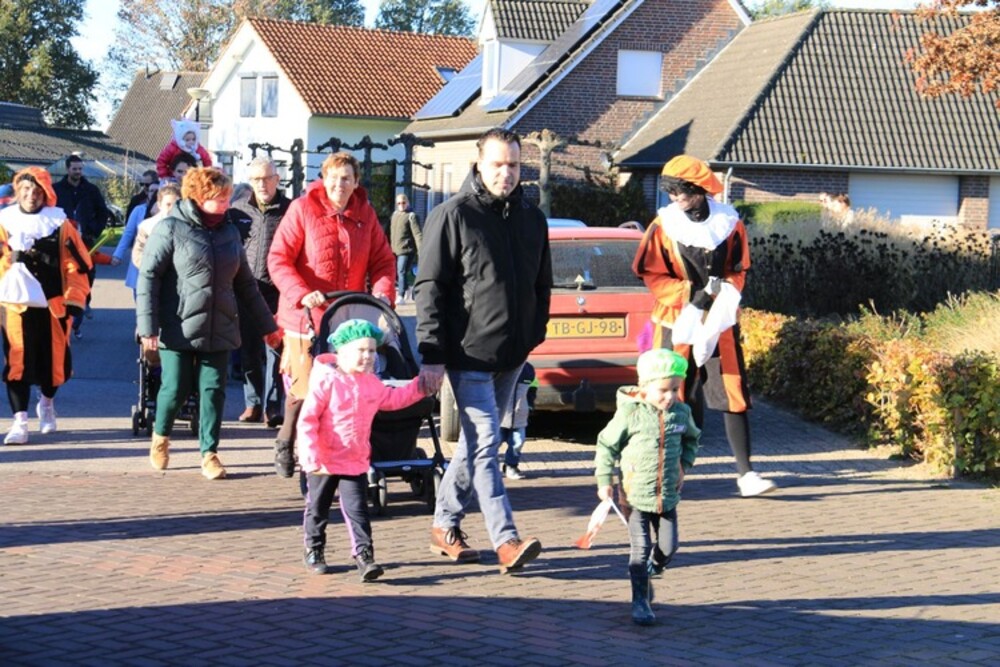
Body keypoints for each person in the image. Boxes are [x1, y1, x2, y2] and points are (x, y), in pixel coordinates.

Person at [415, 127, 552, 573]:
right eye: (497, 164)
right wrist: (432, 353)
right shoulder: (452, 215)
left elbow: (542, 283)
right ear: (479, 164)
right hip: (467, 353)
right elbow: (429, 287)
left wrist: (533, 332)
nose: (505, 173)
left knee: (474, 445)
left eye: (513, 165)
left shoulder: (532, 219)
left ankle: (444, 526)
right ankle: (506, 540)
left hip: (512, 354)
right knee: (488, 442)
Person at [632, 155, 776, 498]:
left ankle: (746, 474)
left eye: (681, 191)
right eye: (670, 192)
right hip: (675, 320)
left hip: (719, 321)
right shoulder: (663, 226)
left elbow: (738, 268)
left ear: (699, 189)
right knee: (671, 392)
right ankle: (667, 472)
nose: (675, 198)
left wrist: (725, 295)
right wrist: (690, 295)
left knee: (731, 389)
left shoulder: (730, 223)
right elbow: (651, 273)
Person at [137, 167, 280, 480]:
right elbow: (149, 278)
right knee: (175, 388)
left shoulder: (230, 232)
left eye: (228, 196)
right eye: (220, 197)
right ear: (199, 197)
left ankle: (210, 453)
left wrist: (268, 327)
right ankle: (161, 437)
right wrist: (147, 327)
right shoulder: (170, 228)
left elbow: (246, 285)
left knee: (213, 391)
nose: (227, 203)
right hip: (179, 325)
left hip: (221, 325)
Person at [267, 151, 395, 478]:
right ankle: (286, 439)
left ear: (356, 182)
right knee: (306, 387)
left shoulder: (365, 214)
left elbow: (383, 261)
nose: (340, 184)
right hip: (304, 315)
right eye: (334, 177)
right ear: (323, 179)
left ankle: (336, 455)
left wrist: (382, 292)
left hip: (346, 317)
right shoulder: (302, 209)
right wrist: (301, 293)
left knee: (343, 389)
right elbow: (279, 259)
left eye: (347, 178)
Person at [297, 319, 427, 579]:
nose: (368, 356)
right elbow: (308, 420)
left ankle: (364, 555)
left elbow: (392, 399)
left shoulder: (371, 383)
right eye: (361, 350)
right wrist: (309, 455)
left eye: (372, 351)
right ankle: (314, 548)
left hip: (354, 460)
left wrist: (419, 387)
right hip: (323, 460)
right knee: (318, 507)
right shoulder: (326, 381)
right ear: (342, 351)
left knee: (358, 510)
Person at [594, 348, 700, 626]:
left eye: (675, 389)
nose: (670, 396)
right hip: (635, 496)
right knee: (640, 550)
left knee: (669, 546)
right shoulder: (630, 414)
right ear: (644, 386)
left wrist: (684, 465)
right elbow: (606, 445)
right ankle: (640, 601)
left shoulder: (681, 413)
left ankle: (655, 566)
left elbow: (692, 440)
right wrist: (604, 481)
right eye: (663, 390)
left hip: (668, 496)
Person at [0, 167, 92, 444]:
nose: (31, 195)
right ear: (18, 192)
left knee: (54, 365)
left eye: (36, 191)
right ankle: (20, 422)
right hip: (14, 306)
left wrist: (75, 300)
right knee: (17, 363)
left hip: (53, 306)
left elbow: (77, 265)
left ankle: (47, 404)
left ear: (46, 193)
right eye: (26, 190)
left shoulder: (60, 225)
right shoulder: (4, 222)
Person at [225, 158, 289, 436]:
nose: (262, 184)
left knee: (275, 351)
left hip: (278, 292)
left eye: (267, 178)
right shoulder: (237, 211)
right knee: (249, 351)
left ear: (277, 179)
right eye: (256, 179)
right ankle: (252, 402)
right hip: (247, 290)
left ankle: (272, 406)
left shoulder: (290, 210)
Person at [53, 155, 112, 332]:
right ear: (67, 169)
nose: (78, 172)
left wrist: (94, 230)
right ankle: (68, 304)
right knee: (66, 272)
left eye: (80, 169)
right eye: (75, 169)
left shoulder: (91, 190)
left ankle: (85, 299)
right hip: (63, 239)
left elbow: (102, 213)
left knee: (88, 271)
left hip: (86, 238)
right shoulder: (56, 190)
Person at [112, 180, 159, 296]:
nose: (154, 194)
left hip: (158, 258)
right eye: (151, 191)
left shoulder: (165, 212)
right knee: (138, 292)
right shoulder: (139, 210)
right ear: (147, 193)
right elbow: (128, 233)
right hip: (140, 256)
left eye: (157, 191)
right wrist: (118, 254)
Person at [499, 361, 536, 480]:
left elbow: (532, 388)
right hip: (500, 416)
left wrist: (530, 405)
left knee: (517, 442)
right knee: (492, 443)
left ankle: (511, 466)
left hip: (519, 415)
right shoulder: (500, 365)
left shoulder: (528, 369)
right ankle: (488, 467)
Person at [132, 185, 181, 270]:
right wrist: (152, 268)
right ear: (159, 205)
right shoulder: (147, 226)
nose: (172, 209)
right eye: (168, 204)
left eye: (176, 204)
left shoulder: (188, 226)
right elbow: (138, 254)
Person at [389, 193, 422, 303]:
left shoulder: (411, 216)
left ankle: (401, 296)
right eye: (399, 203)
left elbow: (417, 234)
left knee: (401, 271)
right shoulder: (394, 215)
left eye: (403, 203)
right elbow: (389, 232)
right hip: (395, 249)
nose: (401, 205)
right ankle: (407, 289)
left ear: (407, 203)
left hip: (406, 250)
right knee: (398, 272)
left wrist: (421, 250)